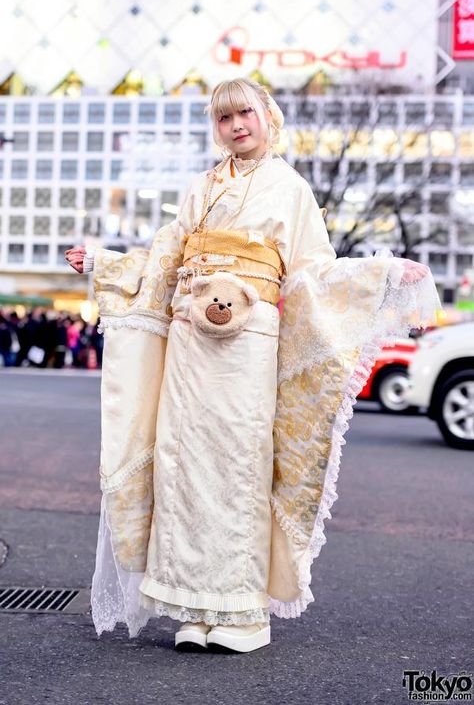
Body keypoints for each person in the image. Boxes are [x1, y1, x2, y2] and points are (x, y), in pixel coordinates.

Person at [65, 77, 441, 653]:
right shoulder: (202, 188)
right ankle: (192, 605)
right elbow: (165, 256)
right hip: (192, 339)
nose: (236, 125)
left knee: (238, 460)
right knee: (182, 460)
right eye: (224, 118)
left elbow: (315, 270)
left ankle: (243, 614)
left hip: (248, 342)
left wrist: (382, 272)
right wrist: (104, 262)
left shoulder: (290, 188)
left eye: (245, 113)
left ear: (269, 116)